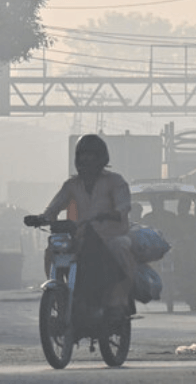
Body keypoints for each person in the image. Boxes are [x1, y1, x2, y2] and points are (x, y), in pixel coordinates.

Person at [38, 134, 136, 319]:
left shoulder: (115, 181)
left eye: (91, 156)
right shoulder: (71, 185)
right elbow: (54, 207)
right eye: (83, 156)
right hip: (82, 236)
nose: (86, 161)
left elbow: (124, 206)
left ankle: (118, 300)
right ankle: (59, 294)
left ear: (101, 159)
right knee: (52, 251)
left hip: (111, 235)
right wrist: (41, 218)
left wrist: (113, 213)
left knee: (121, 248)